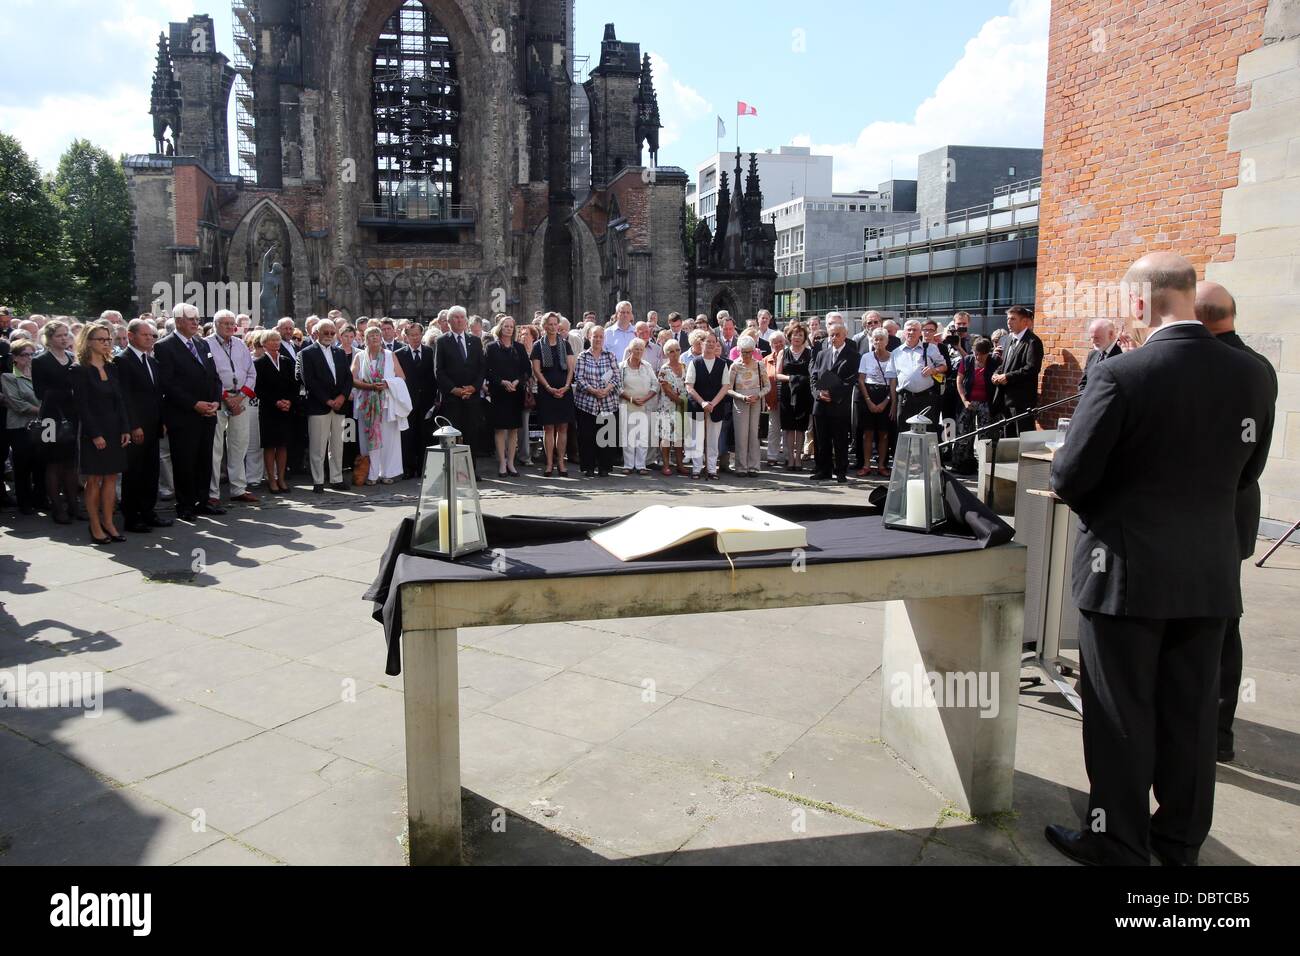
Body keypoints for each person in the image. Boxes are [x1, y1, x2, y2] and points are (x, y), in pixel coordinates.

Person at [1046, 252, 1275, 868]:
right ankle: (1178, 844)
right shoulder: (1254, 374)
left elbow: (1071, 475)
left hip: (1124, 572)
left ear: (1142, 303)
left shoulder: (1122, 375)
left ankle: (1118, 840)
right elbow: (1247, 473)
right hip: (1207, 570)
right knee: (1193, 718)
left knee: (1121, 713)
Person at [1194, 280, 1279, 764]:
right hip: (1236, 509)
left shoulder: (1214, 368)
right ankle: (1217, 729)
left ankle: (1213, 728)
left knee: (1216, 626)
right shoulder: (1258, 366)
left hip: (1211, 515)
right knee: (1223, 620)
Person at [156, 304, 224, 522]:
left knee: (205, 460)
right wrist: (194, 404)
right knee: (185, 461)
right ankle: (185, 505)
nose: (196, 323)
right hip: (184, 415)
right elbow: (168, 384)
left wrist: (215, 401)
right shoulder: (165, 347)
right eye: (190, 319)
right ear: (178, 321)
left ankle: (202, 501)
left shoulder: (202, 344)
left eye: (197, 319)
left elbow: (213, 375)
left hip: (208, 414)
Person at [72, 322, 130, 543]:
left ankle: (108, 522)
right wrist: (95, 434)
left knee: (111, 478)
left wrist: (125, 427)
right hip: (93, 431)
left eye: (108, 339)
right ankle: (95, 525)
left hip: (115, 429)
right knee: (94, 478)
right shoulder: (79, 370)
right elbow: (82, 406)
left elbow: (120, 401)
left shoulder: (112, 367)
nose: (107, 343)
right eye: (102, 339)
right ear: (88, 342)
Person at [118, 318, 171, 530]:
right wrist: (133, 425)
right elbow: (125, 396)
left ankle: (148, 511)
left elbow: (158, 394)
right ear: (131, 336)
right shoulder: (123, 360)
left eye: (152, 335)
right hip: (136, 427)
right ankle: (131, 517)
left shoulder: (152, 361)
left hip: (153, 424)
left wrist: (162, 420)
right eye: (145, 335)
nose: (150, 338)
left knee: (151, 471)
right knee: (134, 472)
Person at [206, 310, 259, 505]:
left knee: (239, 444)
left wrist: (241, 396)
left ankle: (238, 488)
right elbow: (208, 377)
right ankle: (212, 492)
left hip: (241, 399)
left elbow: (252, 373)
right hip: (219, 400)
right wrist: (227, 398)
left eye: (232, 323)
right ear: (215, 325)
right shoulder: (206, 344)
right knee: (215, 447)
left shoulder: (240, 344)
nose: (230, 327)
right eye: (225, 323)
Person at [31, 319, 81, 523]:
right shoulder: (40, 360)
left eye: (65, 334)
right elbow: (40, 392)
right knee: (53, 463)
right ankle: (57, 507)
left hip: (71, 416)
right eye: (59, 335)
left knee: (70, 462)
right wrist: (66, 391)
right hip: (50, 417)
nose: (63, 338)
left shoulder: (71, 357)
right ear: (49, 339)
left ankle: (73, 505)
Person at [298, 318, 353, 492]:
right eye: (326, 332)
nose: (329, 336)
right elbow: (309, 381)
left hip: (339, 405)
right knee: (318, 446)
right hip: (318, 405)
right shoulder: (307, 353)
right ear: (317, 334)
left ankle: (336, 479)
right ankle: (318, 480)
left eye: (332, 333)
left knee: (338, 445)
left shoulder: (340, 352)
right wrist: (328, 400)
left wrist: (342, 397)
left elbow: (348, 378)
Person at [352, 326, 408, 484]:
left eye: (377, 334)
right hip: (367, 403)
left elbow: (401, 377)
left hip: (386, 403)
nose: (375, 337)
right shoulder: (360, 356)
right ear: (365, 339)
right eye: (370, 335)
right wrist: (369, 386)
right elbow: (353, 378)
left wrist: (387, 383)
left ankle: (388, 472)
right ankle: (372, 473)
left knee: (389, 439)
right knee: (369, 438)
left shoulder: (390, 355)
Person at [808, 315, 859, 483]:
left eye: (838, 334)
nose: (834, 338)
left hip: (838, 404)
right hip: (820, 404)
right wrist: (818, 394)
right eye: (831, 335)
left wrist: (833, 395)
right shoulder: (822, 354)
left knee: (840, 439)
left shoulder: (852, 355)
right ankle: (823, 470)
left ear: (845, 335)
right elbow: (814, 376)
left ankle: (841, 471)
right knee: (821, 439)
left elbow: (850, 380)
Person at [529, 312, 576, 476]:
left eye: (555, 324)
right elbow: (536, 370)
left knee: (563, 428)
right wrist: (548, 387)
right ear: (544, 326)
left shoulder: (566, 344)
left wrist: (566, 386)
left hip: (564, 391)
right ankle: (549, 464)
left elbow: (571, 368)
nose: (553, 327)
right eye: (549, 324)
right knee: (548, 428)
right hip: (546, 391)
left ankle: (561, 463)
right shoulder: (537, 346)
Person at [434, 305, 486, 453]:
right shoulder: (442, 341)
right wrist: (454, 389)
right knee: (452, 437)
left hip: (472, 397)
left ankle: (472, 470)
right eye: (456, 317)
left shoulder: (475, 341)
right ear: (449, 321)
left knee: (472, 435)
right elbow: (439, 370)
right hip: (452, 399)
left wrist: (474, 387)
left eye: (462, 317)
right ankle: (454, 471)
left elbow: (482, 368)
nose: (459, 320)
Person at [485, 315, 531, 477]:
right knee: (499, 429)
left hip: (515, 393)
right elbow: (487, 371)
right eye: (506, 326)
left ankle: (511, 462)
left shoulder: (519, 347)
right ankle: (502, 462)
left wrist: (517, 381)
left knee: (513, 429)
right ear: (500, 328)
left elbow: (527, 370)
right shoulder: (491, 347)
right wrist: (502, 382)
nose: (509, 329)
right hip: (499, 392)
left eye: (511, 326)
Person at [574, 325, 620, 477]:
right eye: (595, 336)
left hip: (608, 402)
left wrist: (606, 390)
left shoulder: (610, 356)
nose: (598, 339)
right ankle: (588, 467)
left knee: (606, 436)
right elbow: (579, 378)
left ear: (604, 338)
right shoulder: (583, 356)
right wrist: (593, 391)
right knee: (587, 436)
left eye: (601, 336)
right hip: (587, 403)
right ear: (589, 337)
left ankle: (604, 467)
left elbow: (617, 377)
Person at [2, 339, 42, 514]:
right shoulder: (9, 376)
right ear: (15, 358)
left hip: (42, 426)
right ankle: (24, 502)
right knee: (22, 464)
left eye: (32, 354)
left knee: (40, 463)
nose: (29, 358)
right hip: (20, 426)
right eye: (25, 355)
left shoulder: (37, 373)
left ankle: (39, 498)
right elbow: (16, 403)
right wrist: (42, 410)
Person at [254, 330, 297, 493]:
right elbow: (259, 388)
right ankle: (271, 479)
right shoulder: (259, 363)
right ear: (264, 343)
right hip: (269, 409)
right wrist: (275, 402)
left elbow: (294, 385)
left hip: (286, 409)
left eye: (278, 340)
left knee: (283, 444)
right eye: (272, 340)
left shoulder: (286, 361)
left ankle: (282, 479)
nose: (276, 343)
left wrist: (289, 401)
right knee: (270, 445)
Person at [991, 305, 1043, 436]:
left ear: (1025, 321)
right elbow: (1005, 364)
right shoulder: (1008, 339)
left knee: (1023, 436)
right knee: (1008, 438)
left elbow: (1031, 368)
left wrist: (1007, 377)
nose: (1009, 322)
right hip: (1006, 398)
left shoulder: (1033, 342)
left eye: (1013, 319)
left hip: (1022, 400)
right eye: (1008, 319)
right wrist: (996, 374)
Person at [952, 337, 1000, 476]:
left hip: (987, 402)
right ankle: (961, 464)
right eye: (976, 353)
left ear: (987, 353)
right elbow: (959, 381)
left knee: (987, 434)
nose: (978, 357)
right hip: (968, 400)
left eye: (981, 354)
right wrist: (964, 400)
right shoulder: (967, 361)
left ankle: (987, 466)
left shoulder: (995, 361)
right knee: (964, 433)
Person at [684, 331, 729, 480]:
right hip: (697, 405)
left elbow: (725, 386)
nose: (710, 344)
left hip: (716, 407)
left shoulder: (722, 364)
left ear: (716, 344)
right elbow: (689, 386)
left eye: (713, 342)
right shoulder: (694, 362)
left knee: (713, 440)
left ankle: (711, 469)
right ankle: (696, 469)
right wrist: (702, 402)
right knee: (696, 439)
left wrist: (712, 404)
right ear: (701, 344)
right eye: (707, 341)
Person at [394, 322, 436, 480]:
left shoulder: (430, 352)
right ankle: (408, 468)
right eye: (412, 335)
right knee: (408, 436)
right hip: (407, 403)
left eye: (418, 334)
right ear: (406, 336)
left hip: (426, 401)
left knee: (424, 435)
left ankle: (423, 468)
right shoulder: (399, 354)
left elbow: (434, 376)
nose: (415, 338)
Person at [856, 328, 897, 478]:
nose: (878, 342)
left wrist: (888, 402)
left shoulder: (893, 357)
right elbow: (861, 379)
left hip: (885, 395)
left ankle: (881, 465)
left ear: (887, 341)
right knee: (867, 433)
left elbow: (893, 381)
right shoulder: (866, 357)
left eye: (881, 339)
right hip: (868, 394)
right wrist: (869, 401)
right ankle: (866, 465)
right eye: (875, 339)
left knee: (884, 434)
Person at [891, 320, 945, 431]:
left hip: (926, 398)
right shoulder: (896, 352)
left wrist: (933, 370)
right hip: (905, 399)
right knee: (903, 431)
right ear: (904, 332)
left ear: (920, 332)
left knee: (928, 431)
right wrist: (893, 402)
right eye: (908, 330)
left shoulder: (931, 348)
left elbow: (944, 367)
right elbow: (892, 379)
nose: (911, 332)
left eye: (914, 330)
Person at [727, 336, 769, 477]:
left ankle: (754, 466)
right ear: (739, 351)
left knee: (753, 434)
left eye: (749, 352)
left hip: (756, 401)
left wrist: (759, 395)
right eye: (743, 352)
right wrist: (742, 397)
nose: (746, 355)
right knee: (741, 435)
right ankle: (741, 467)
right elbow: (728, 388)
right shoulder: (734, 365)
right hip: (740, 401)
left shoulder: (759, 365)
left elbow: (768, 385)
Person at [777, 322, 813, 472]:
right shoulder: (783, 353)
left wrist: (800, 380)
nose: (797, 337)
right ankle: (790, 457)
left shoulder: (810, 353)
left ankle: (799, 458)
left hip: (804, 394)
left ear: (804, 337)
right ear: (789, 336)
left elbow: (812, 374)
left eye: (800, 334)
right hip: (787, 394)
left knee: (800, 428)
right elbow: (777, 374)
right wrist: (792, 378)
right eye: (794, 334)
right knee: (789, 428)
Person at [619, 338, 658, 474]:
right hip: (627, 405)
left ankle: (641, 465)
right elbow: (617, 387)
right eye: (636, 349)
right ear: (630, 350)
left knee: (642, 437)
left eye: (641, 349)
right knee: (628, 436)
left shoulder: (647, 366)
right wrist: (630, 398)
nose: (639, 352)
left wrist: (646, 398)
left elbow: (655, 384)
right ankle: (628, 465)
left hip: (644, 405)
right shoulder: (621, 367)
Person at [656, 339, 689, 476]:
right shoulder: (664, 369)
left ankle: (680, 465)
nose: (675, 353)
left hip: (682, 407)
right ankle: (666, 465)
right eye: (671, 351)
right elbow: (667, 390)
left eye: (677, 350)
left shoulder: (685, 366)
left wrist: (685, 402)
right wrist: (680, 400)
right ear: (666, 353)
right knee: (666, 437)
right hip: (667, 406)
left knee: (679, 438)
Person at [515, 323, 539, 467]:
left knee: (537, 425)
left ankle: (536, 451)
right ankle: (524, 455)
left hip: (539, 392)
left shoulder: (538, 352)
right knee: (524, 424)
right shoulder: (516, 352)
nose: (524, 337)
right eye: (522, 335)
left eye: (527, 335)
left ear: (533, 337)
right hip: (523, 393)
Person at [1077, 318, 1122, 391]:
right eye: (1092, 337)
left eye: (1097, 338)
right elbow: (1083, 383)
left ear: (1110, 334)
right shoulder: (1092, 354)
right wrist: (1086, 400)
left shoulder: (1123, 353)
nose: (1093, 341)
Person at [763, 331, 787, 466]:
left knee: (788, 429)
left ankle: (790, 456)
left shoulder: (790, 357)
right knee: (773, 429)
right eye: (775, 342)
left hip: (788, 398)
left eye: (780, 342)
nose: (778, 344)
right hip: (773, 398)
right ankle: (772, 456)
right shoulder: (766, 360)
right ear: (770, 344)